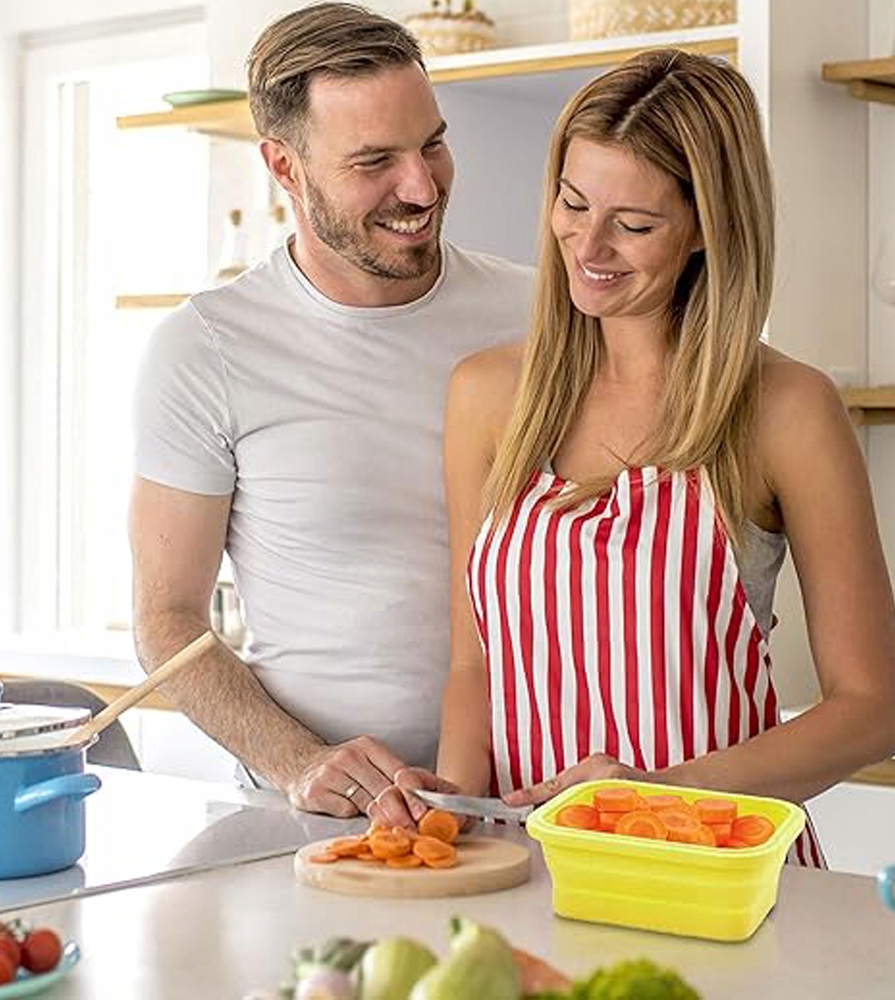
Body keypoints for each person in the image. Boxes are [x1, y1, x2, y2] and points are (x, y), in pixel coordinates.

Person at [397, 47, 895, 865]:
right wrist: (452, 823)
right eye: (572, 202)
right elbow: (474, 662)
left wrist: (649, 800)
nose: (588, 246)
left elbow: (872, 707)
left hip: (715, 876)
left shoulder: (785, 410)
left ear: (706, 229)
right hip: (527, 872)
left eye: (633, 225)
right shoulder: (488, 394)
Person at [128, 2, 533, 822]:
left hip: (527, 797)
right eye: (374, 160)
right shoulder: (205, 349)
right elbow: (168, 620)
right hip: (313, 817)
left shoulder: (539, 313)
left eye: (432, 144)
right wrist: (298, 763)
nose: (420, 186)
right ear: (284, 167)